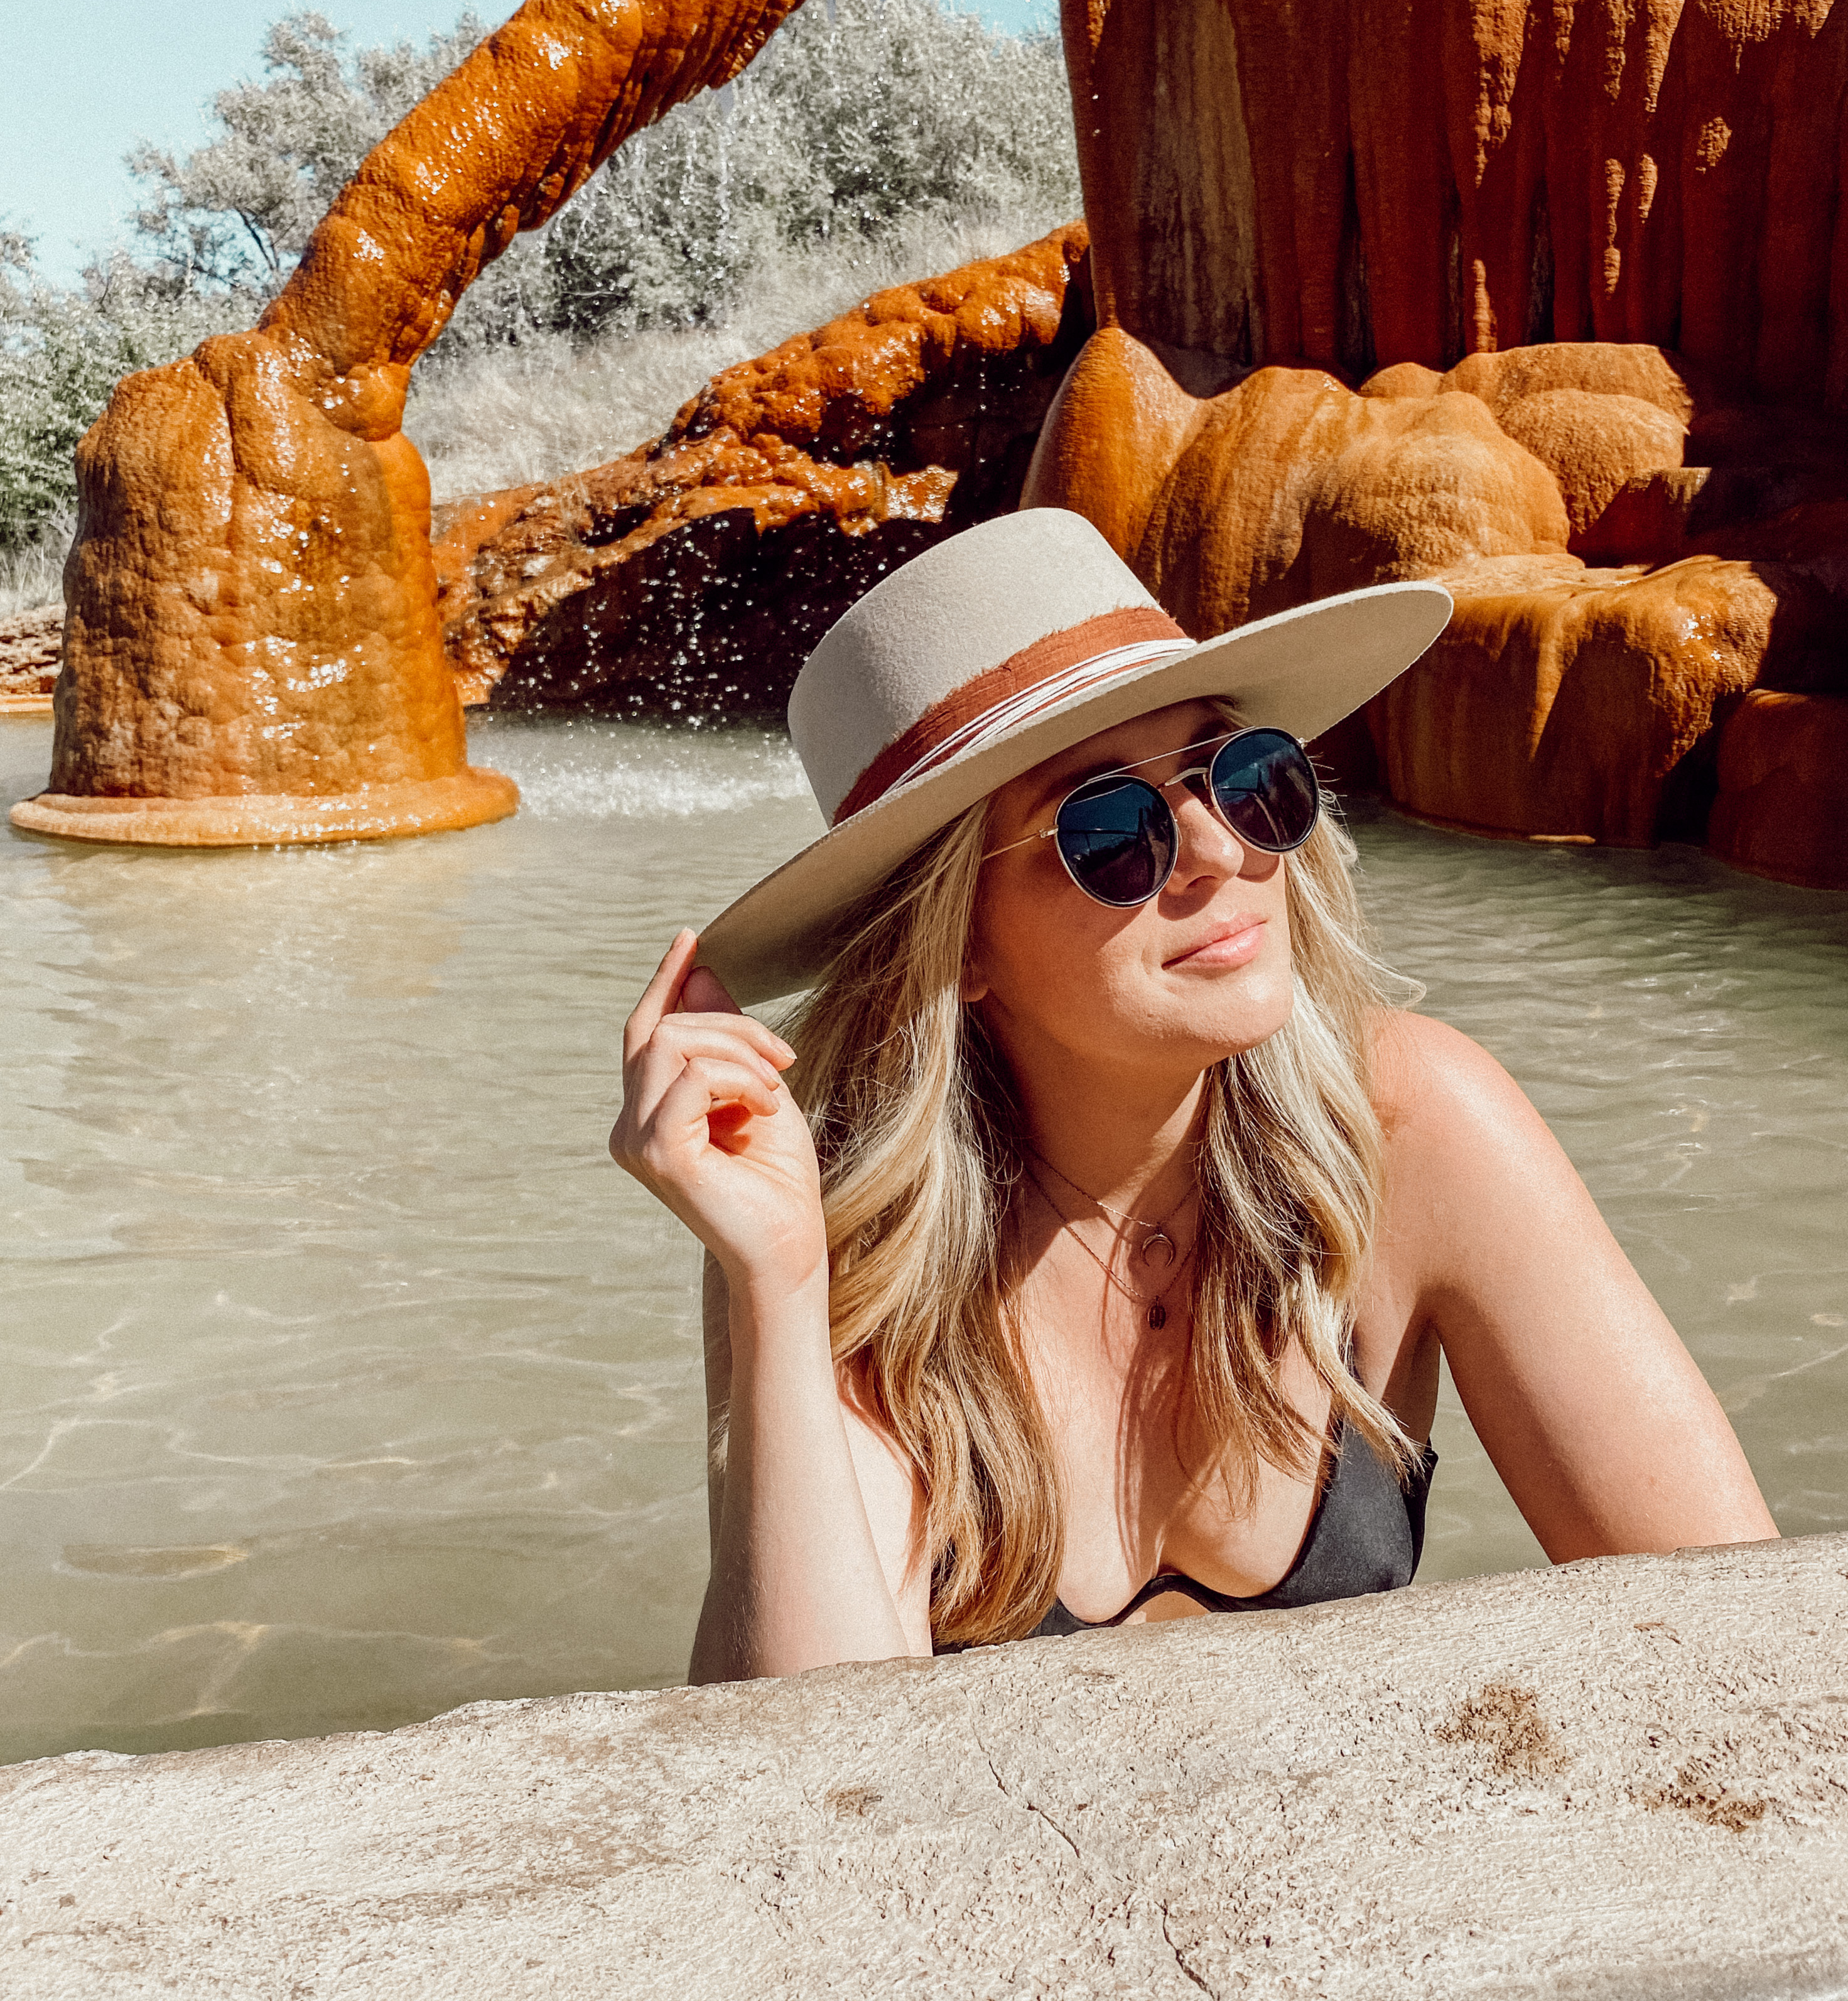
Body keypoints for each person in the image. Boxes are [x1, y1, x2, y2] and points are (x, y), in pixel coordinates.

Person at [611, 511, 1776, 1680]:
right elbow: (803, 1770)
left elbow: (1737, 1623)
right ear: (960, 941)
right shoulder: (855, 1237)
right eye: (1110, 826)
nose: (1219, 849)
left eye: (1241, 776)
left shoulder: (1419, 1126)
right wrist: (776, 1280)